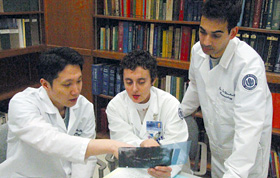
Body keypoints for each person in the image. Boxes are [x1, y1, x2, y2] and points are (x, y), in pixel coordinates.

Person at [0, 47, 131, 178]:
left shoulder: (84, 106)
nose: (76, 91)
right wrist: (110, 145)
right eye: (67, 84)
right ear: (45, 84)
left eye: (79, 81)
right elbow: (50, 141)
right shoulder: (22, 103)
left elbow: (85, 158)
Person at [179, 0, 273, 177]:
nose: (206, 41)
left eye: (216, 35)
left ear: (233, 33)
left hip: (245, 160)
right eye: (202, 32)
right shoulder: (198, 52)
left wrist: (236, 173)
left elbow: (249, 128)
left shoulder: (248, 66)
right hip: (218, 150)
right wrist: (178, 114)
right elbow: (195, 85)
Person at [106, 50, 189, 178]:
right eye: (129, 82)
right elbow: (121, 143)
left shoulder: (170, 104)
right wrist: (142, 144)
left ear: (153, 80)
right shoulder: (115, 106)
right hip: (131, 169)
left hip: (166, 170)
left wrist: (166, 169)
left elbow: (177, 146)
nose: (134, 89)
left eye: (141, 82)